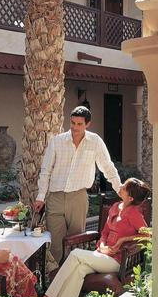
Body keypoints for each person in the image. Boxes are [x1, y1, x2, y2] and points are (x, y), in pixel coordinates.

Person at [35, 178, 150, 297]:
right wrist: (102, 245)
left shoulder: (134, 214)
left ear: (131, 198)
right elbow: (105, 232)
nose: (120, 187)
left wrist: (123, 240)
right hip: (101, 255)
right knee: (79, 270)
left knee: (75, 254)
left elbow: (148, 234)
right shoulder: (116, 206)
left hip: (117, 261)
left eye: (124, 188)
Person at [34, 106, 122, 266]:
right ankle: (59, 276)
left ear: (88, 124)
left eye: (79, 124)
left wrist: (119, 188)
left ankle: (74, 275)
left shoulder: (95, 142)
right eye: (72, 123)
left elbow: (107, 167)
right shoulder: (57, 141)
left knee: (76, 242)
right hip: (55, 198)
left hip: (78, 198)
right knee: (55, 245)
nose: (75, 127)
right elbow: (46, 170)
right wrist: (41, 196)